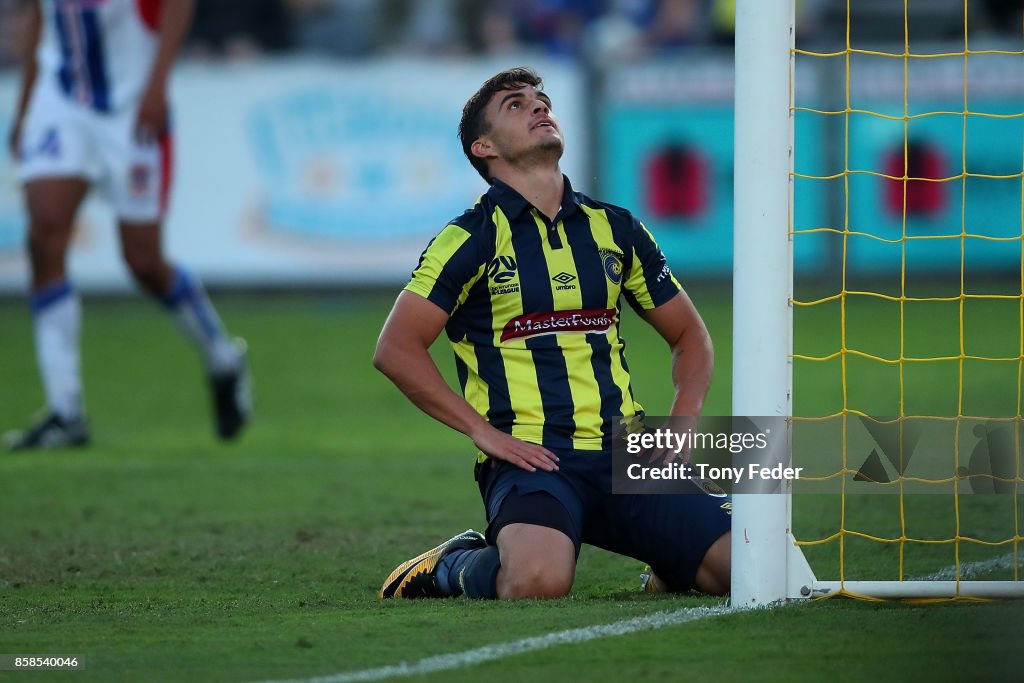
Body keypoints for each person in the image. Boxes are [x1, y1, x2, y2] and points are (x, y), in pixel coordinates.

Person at [373, 67, 730, 600]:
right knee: (538, 582)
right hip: (531, 459)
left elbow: (690, 337)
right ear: (484, 146)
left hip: (625, 452)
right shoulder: (468, 239)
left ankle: (668, 558)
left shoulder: (617, 228)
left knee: (748, 569)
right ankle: (451, 565)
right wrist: (482, 433)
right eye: (516, 105)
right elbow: (396, 349)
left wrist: (679, 428)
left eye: (542, 99)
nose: (540, 107)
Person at [5, 0, 251, 450]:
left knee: (143, 262)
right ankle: (65, 411)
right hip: (61, 101)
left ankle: (222, 358)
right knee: (44, 237)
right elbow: (40, 16)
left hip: (130, 106)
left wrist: (158, 86)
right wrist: (24, 104)